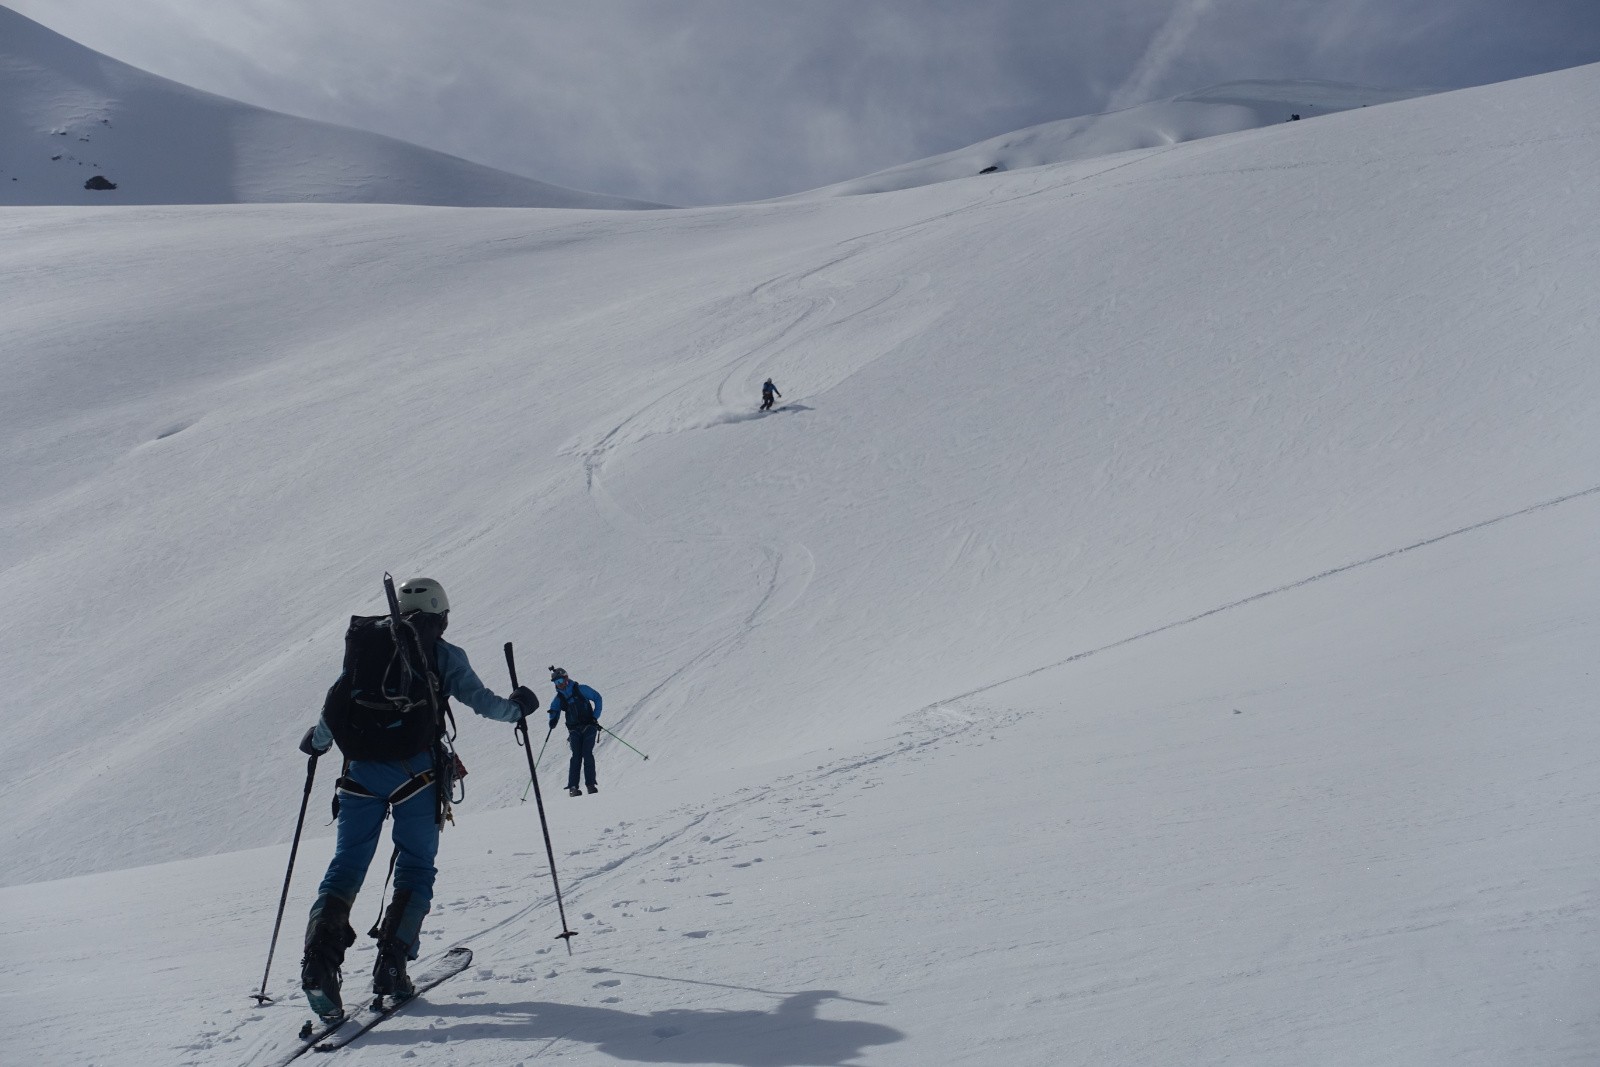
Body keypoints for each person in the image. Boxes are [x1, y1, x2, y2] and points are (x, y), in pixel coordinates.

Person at [296, 577, 540, 1022]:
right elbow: (484, 704)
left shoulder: (368, 646)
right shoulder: (444, 654)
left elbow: (337, 702)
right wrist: (518, 707)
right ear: (442, 617)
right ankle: (393, 966)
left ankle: (318, 966)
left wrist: (317, 742)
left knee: (346, 865)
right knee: (415, 866)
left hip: (358, 774)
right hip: (418, 776)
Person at [547, 666, 604, 797]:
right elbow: (553, 709)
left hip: (589, 726)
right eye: (556, 683)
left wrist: (595, 717)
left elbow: (597, 698)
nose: (559, 685)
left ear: (566, 678)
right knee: (576, 756)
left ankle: (590, 785)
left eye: (560, 681)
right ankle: (573, 788)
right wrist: (552, 720)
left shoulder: (581, 689)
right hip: (574, 730)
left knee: (587, 753)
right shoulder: (559, 698)